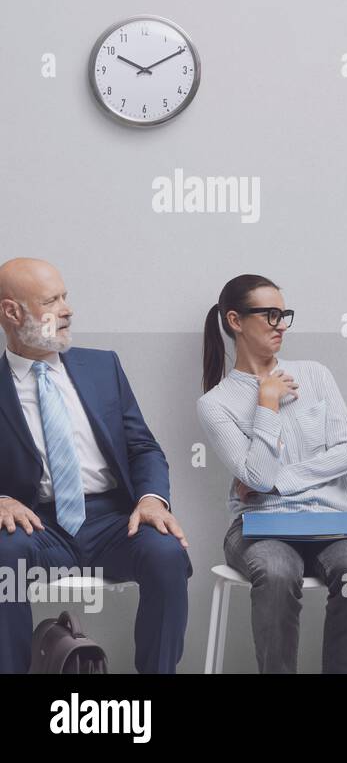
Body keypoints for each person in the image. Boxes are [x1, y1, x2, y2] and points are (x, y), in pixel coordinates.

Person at [0, 257, 191, 673]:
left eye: (66, 297)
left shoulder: (103, 366)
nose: (67, 310)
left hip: (112, 522)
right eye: (51, 301)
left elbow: (143, 448)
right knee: (2, 553)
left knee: (167, 553)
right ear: (12, 312)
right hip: (38, 525)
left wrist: (152, 499)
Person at [197, 274, 347, 673]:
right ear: (235, 320)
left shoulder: (315, 374)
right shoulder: (216, 404)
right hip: (262, 527)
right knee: (278, 574)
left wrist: (280, 481)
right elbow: (256, 477)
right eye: (271, 315)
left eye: (285, 315)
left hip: (334, 522)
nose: (282, 324)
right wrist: (267, 403)